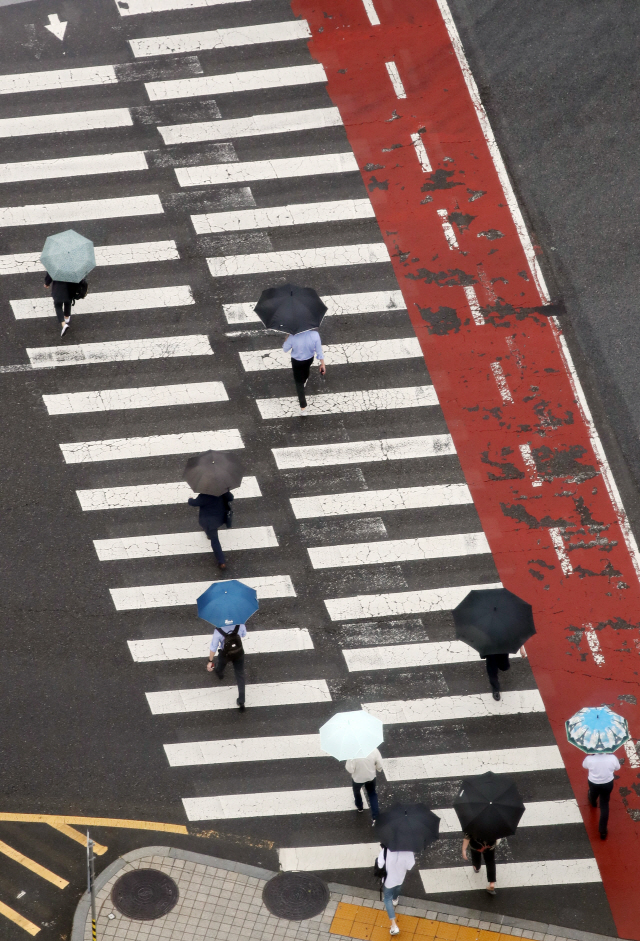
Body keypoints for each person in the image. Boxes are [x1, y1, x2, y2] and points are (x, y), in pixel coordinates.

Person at [187, 490, 234, 569]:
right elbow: (231, 498)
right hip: (219, 518)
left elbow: (194, 503)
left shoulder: (204, 495)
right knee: (213, 534)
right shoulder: (221, 490)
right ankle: (209, 534)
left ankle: (221, 561)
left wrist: (190, 499)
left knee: (214, 540)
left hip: (208, 521)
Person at [282, 329, 326, 413]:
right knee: (306, 370)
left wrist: (287, 338)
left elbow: (285, 349)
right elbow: (319, 351)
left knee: (299, 384)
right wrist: (322, 364)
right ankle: (304, 379)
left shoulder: (292, 337)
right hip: (309, 359)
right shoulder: (315, 334)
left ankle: (303, 407)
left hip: (296, 361)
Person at [207, 623, 246, 712]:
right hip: (238, 652)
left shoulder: (218, 630)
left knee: (221, 664)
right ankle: (241, 701)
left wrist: (210, 661)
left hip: (225, 654)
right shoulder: (240, 624)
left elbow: (213, 647)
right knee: (240, 674)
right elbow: (244, 634)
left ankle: (219, 673)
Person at [376, 847, 415, 935]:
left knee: (387, 899)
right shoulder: (408, 851)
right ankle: (395, 900)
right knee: (398, 888)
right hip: (400, 878)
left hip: (388, 880)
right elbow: (410, 866)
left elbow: (380, 864)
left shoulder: (386, 850)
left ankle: (394, 926)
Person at [583, 751, 620, 839]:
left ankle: (593, 801)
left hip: (594, 782)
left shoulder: (589, 759)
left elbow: (584, 766)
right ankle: (603, 830)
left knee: (593, 793)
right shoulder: (612, 758)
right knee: (604, 805)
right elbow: (617, 767)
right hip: (607, 783)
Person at [345, 749, 383, 823]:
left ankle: (359, 806)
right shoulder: (374, 750)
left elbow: (350, 769)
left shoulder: (352, 753)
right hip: (371, 776)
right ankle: (375, 816)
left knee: (356, 791)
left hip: (358, 779)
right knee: (372, 794)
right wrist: (378, 768)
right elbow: (379, 764)